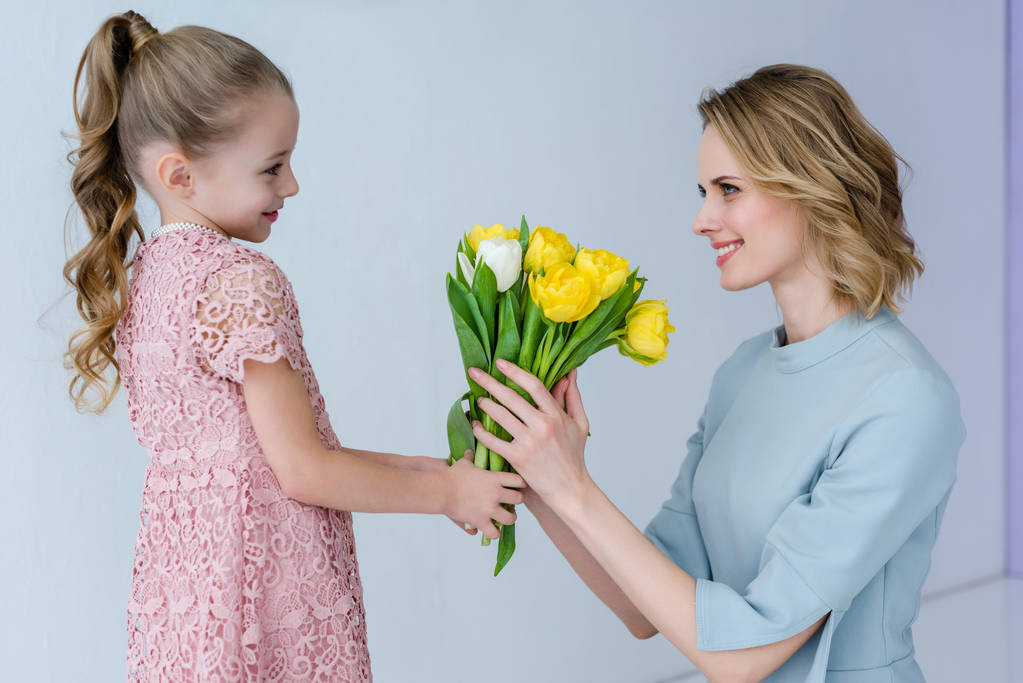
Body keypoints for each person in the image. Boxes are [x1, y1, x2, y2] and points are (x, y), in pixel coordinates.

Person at [63, 11, 524, 681]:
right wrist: (449, 496)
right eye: (273, 167)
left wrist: (436, 472)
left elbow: (265, 452)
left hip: (189, 594)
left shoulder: (149, 279)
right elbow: (303, 470)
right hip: (262, 587)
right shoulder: (238, 280)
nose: (292, 185)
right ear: (180, 174)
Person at [467, 64, 965, 682]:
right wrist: (539, 474)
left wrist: (574, 488)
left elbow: (745, 655)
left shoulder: (905, 398)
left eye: (728, 189)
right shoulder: (743, 372)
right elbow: (645, 605)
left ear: (811, 186)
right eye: (702, 192)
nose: (701, 220)